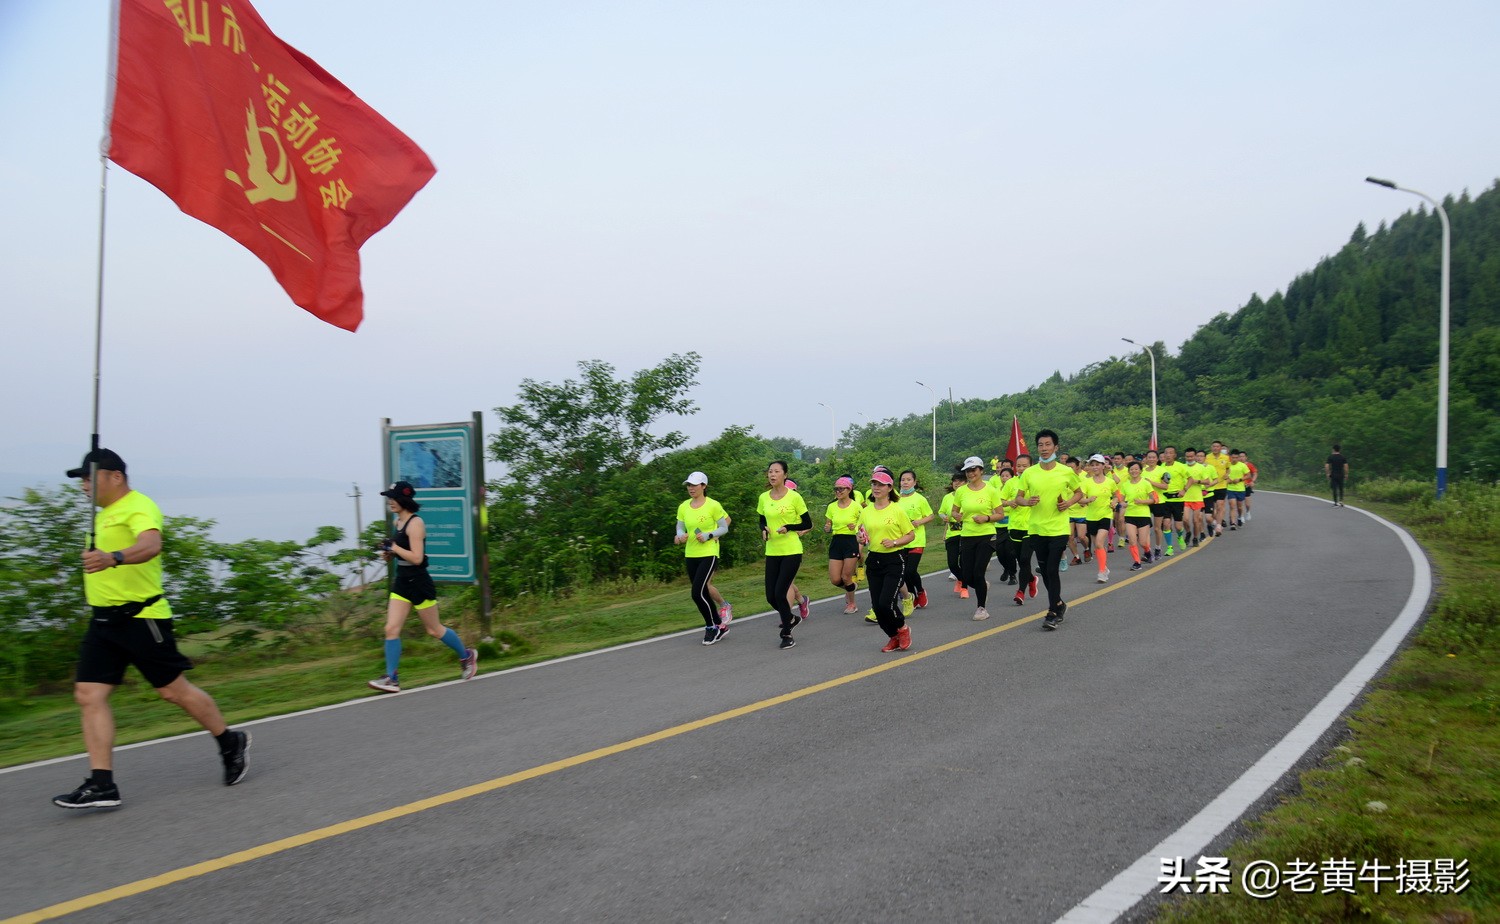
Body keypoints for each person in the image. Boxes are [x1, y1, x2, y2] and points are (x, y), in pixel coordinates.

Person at [53, 449, 250, 809]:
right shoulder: (102, 516)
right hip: (103, 622)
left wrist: (112, 557)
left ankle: (229, 741)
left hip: (141, 619)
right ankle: (102, 785)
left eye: (88, 477)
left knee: (173, 691)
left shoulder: (138, 506)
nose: (82, 485)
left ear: (115, 477)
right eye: (80, 479)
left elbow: (150, 545)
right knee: (88, 695)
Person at [369, 482, 478, 693]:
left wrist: (396, 547)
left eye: (393, 497)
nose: (390, 501)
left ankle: (466, 656)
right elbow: (401, 553)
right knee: (391, 629)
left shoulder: (416, 523)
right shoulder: (397, 521)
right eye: (388, 498)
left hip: (419, 582)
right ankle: (392, 678)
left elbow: (417, 558)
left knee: (434, 630)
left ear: (404, 499)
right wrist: (389, 554)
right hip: (402, 582)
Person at [1013, 430, 1083, 629]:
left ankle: (1052, 612)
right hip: (1036, 528)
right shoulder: (1029, 473)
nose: (1044, 449)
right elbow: (1018, 498)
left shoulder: (1066, 471)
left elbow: (1079, 493)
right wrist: (1027, 501)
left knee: (1052, 569)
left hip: (1059, 528)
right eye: (1040, 445)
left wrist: (1067, 503)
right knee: (1045, 570)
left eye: (1048, 445)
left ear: (1056, 447)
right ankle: (1059, 603)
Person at [859, 471, 916, 652]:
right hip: (874, 560)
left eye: (880, 484)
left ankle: (902, 628)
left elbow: (911, 535)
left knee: (886, 603)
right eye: (874, 484)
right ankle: (893, 636)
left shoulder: (897, 509)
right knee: (877, 606)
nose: (876, 487)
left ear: (889, 488)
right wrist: (861, 540)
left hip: (894, 559)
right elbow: (862, 534)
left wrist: (894, 542)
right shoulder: (866, 511)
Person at [758, 461, 811, 649]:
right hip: (772, 551)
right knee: (770, 597)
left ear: (785, 475)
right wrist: (763, 529)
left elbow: (807, 523)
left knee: (781, 592)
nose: (772, 474)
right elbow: (762, 519)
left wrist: (789, 527)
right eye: (770, 471)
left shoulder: (794, 498)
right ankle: (790, 618)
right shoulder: (764, 497)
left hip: (791, 551)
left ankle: (786, 633)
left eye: (776, 471)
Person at [675, 472, 732, 644]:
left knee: (696, 592)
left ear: (704, 486)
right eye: (689, 485)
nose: (691, 488)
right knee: (703, 592)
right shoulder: (683, 506)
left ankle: (711, 627)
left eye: (694, 485)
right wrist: (680, 536)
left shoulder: (713, 505)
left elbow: (724, 527)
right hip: (691, 554)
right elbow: (679, 528)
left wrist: (709, 535)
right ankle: (720, 626)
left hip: (709, 553)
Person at [954, 455, 1005, 621]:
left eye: (973, 470)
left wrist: (986, 518)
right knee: (967, 576)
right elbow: (954, 511)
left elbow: (1000, 514)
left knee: (978, 572)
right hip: (968, 535)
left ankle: (981, 608)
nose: (970, 473)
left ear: (981, 471)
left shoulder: (991, 490)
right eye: (968, 471)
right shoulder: (961, 491)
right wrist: (957, 516)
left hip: (987, 535)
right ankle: (982, 585)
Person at [896, 470, 935, 612]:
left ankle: (920, 591)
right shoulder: (896, 499)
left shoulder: (920, 499)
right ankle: (911, 596)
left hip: (917, 540)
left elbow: (931, 516)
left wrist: (919, 521)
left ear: (914, 482)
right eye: (902, 480)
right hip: (901, 541)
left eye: (908, 480)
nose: (905, 482)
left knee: (910, 570)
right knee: (903, 572)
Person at [824, 476, 862, 614]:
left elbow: (865, 524)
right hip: (836, 542)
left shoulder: (856, 506)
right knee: (835, 579)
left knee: (846, 577)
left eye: (841, 489)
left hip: (851, 541)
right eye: (836, 489)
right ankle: (851, 586)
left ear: (849, 489)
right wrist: (827, 528)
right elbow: (828, 524)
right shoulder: (831, 506)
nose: (838, 492)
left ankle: (852, 604)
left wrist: (856, 526)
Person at [1077, 453, 1116, 583]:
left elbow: (1116, 495)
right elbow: (1080, 500)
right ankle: (1104, 567)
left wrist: (1114, 502)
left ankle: (1101, 572)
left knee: (1099, 543)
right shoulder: (1086, 482)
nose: (1094, 467)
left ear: (1103, 465)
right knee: (1097, 546)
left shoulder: (1110, 482)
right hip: (1091, 517)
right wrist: (1088, 499)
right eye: (1092, 465)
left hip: (1105, 515)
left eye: (1097, 465)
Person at [1119, 461, 1158, 571]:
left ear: (1140, 471)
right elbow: (1121, 500)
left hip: (1143, 515)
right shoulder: (1125, 485)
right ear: (1129, 471)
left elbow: (1153, 499)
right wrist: (1122, 503)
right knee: (1132, 540)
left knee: (1143, 542)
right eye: (1131, 469)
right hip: (1130, 515)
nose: (1134, 471)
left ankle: (1147, 551)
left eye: (1136, 469)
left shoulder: (1146, 483)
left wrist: (1142, 501)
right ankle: (1137, 562)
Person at [938, 470, 967, 596]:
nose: (957, 483)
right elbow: (941, 511)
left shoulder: (969, 495)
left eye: (960, 481)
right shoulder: (947, 497)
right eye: (955, 481)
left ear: (966, 482)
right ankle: (961, 579)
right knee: (952, 563)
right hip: (952, 533)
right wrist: (944, 516)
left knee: (964, 562)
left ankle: (965, 587)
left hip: (967, 533)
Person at [1225, 450, 1250, 529]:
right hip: (1230, 488)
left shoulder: (1242, 465)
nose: (1234, 459)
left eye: (1236, 457)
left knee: (1239, 507)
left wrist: (1239, 479)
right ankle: (1233, 523)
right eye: (1233, 457)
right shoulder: (1227, 465)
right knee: (1232, 505)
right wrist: (1227, 480)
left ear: (1238, 458)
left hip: (1240, 489)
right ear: (1230, 457)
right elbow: (1224, 475)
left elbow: (1248, 475)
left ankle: (1239, 517)